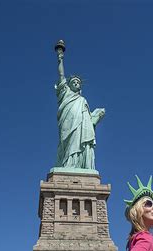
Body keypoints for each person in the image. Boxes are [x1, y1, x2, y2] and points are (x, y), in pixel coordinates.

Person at [54, 40, 105, 169]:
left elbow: (88, 120)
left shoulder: (83, 100)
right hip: (68, 123)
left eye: (78, 82)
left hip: (81, 126)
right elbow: (61, 75)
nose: (76, 83)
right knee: (67, 143)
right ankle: (67, 164)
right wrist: (60, 59)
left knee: (79, 141)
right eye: (74, 81)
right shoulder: (65, 93)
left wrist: (95, 117)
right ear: (69, 84)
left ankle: (79, 164)